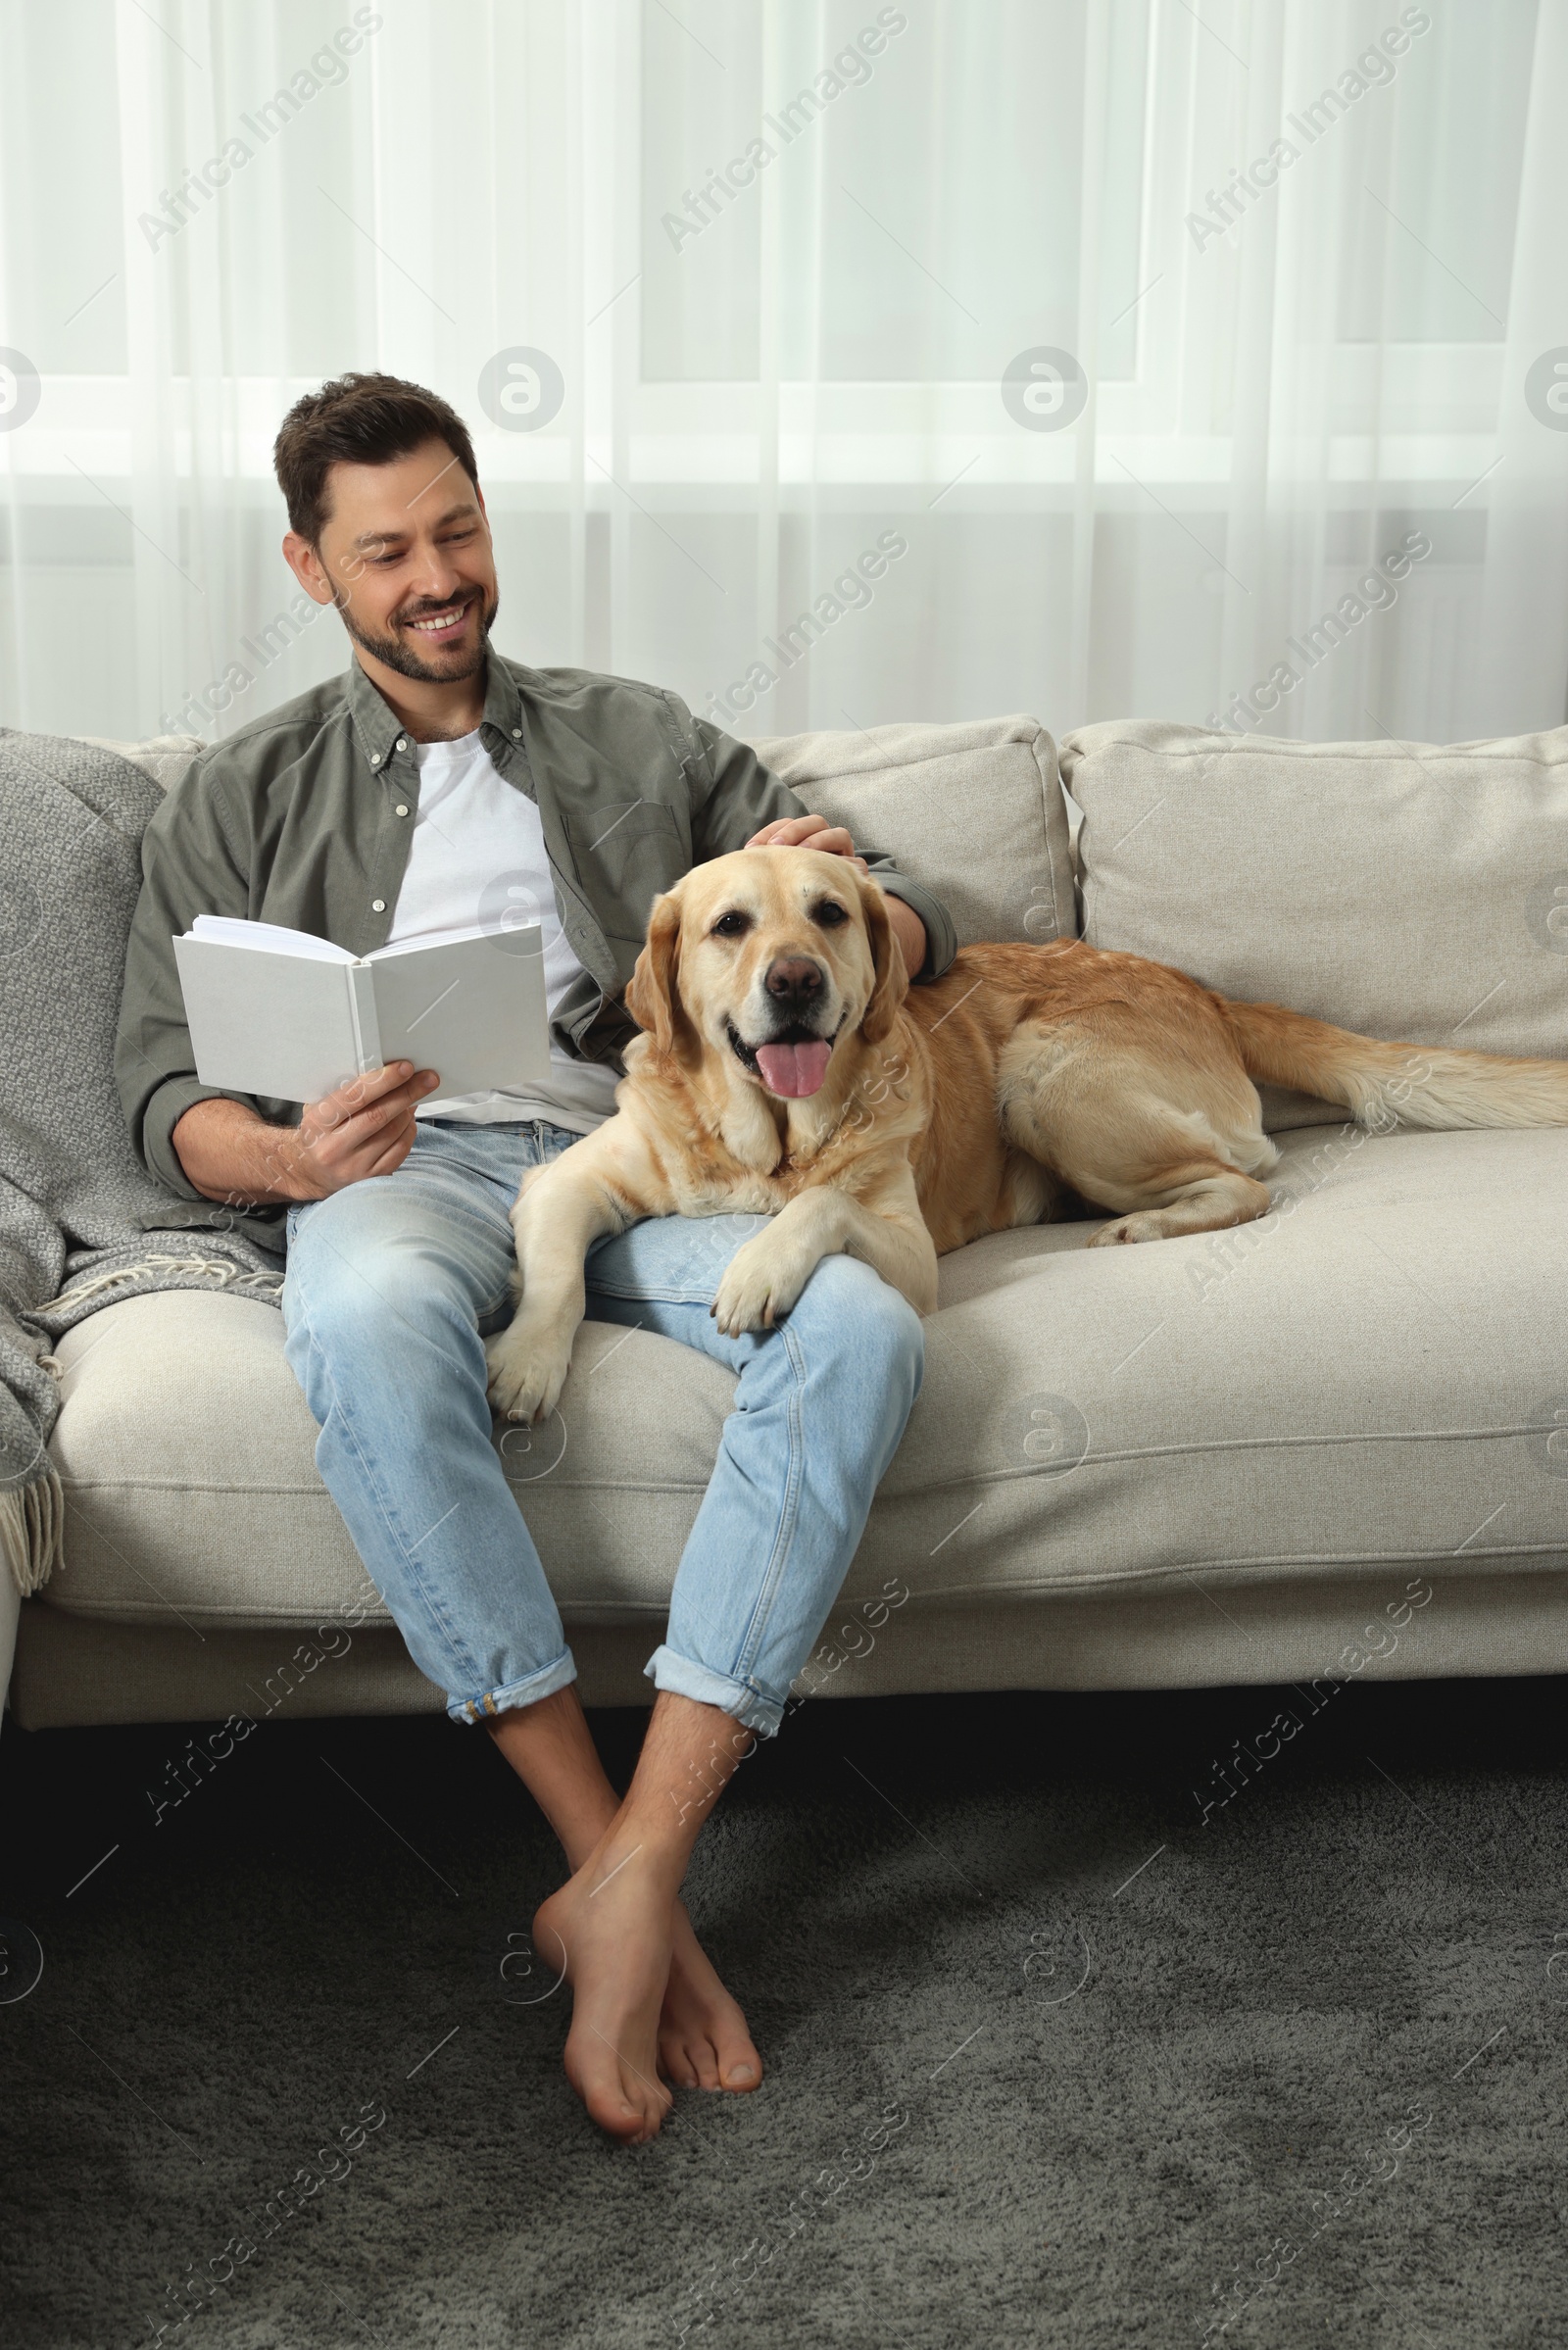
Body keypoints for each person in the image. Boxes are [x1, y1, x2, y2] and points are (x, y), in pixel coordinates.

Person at [117, 372, 956, 2144]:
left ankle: (634, 1872)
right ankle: (613, 1863)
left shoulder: (643, 738)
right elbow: (156, 1094)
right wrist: (281, 1152)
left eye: (461, 529)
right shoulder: (241, 791)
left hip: (644, 1159)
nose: (439, 576)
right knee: (355, 1311)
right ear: (309, 566)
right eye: (389, 550)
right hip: (400, 1174)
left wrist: (844, 873)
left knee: (867, 1325)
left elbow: (894, 927)